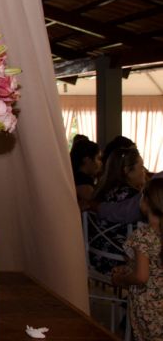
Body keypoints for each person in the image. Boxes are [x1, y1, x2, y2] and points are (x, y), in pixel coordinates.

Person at [112, 177, 163, 341]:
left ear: (146, 202)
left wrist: (121, 279)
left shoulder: (143, 236)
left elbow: (141, 276)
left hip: (149, 308)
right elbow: (154, 267)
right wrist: (127, 269)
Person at [89, 147, 148, 274]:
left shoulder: (101, 191)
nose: (144, 171)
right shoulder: (134, 198)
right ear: (127, 171)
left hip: (97, 254)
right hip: (121, 259)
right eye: (141, 167)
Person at [70, 137, 102, 205]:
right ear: (87, 160)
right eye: (98, 158)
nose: (101, 163)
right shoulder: (83, 184)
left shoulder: (73, 177)